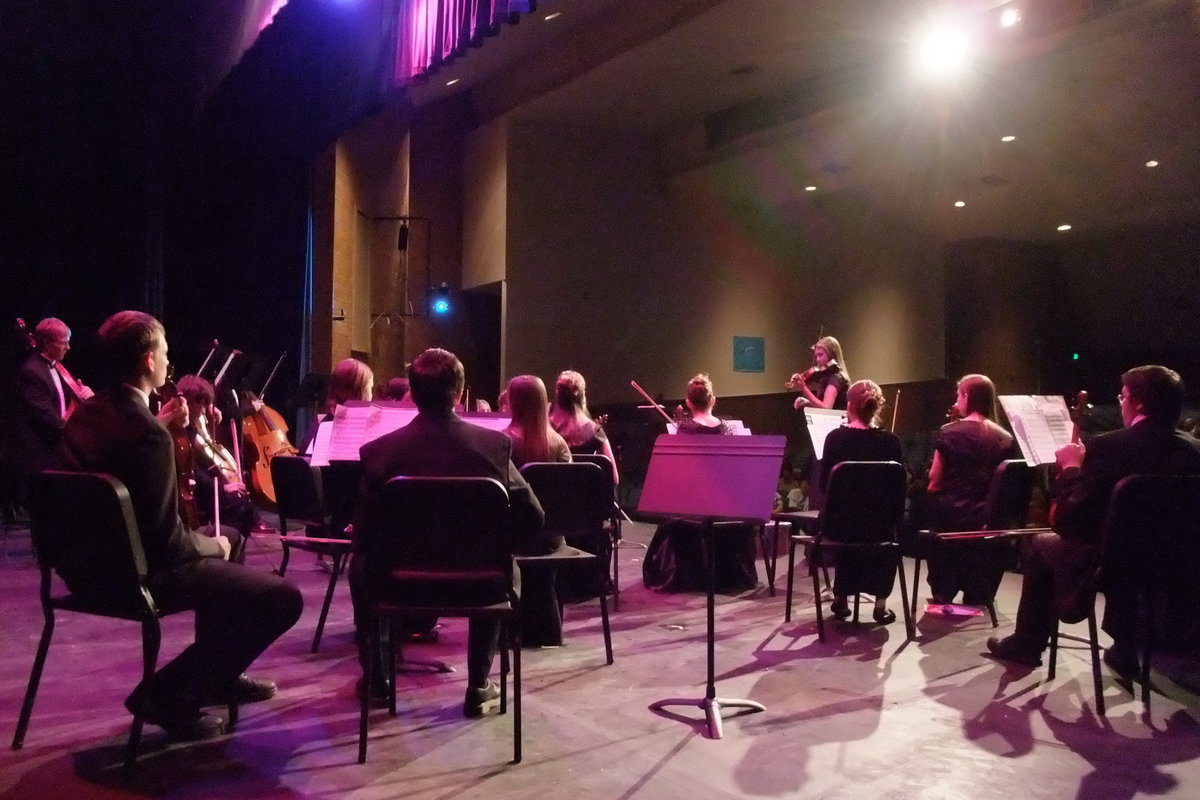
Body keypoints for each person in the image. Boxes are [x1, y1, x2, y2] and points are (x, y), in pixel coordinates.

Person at [57, 311, 302, 741]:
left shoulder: (86, 415)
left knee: (232, 536)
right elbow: (168, 543)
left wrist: (164, 424)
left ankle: (221, 674)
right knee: (282, 598)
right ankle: (167, 693)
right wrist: (213, 550)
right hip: (136, 576)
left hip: (85, 571)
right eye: (166, 353)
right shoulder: (148, 435)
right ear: (149, 361)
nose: (170, 362)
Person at [349, 348, 551, 716]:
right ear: (459, 394)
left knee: (360, 567)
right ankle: (478, 685)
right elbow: (534, 517)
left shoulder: (379, 452)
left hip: (399, 585)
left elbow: (362, 534)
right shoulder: (493, 447)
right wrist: (499, 546)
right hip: (480, 584)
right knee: (506, 568)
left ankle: (378, 681)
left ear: (412, 392)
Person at [987, 365, 1200, 672]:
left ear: (1138, 403)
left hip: (1112, 563)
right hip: (1175, 564)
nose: (1120, 402)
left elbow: (1071, 523)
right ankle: (1125, 646)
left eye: (1123, 396)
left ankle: (1027, 643)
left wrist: (1072, 470)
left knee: (1039, 542)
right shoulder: (1195, 452)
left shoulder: (1109, 446)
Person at [643, 374, 758, 594]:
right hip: (725, 505)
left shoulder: (684, 429)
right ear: (713, 400)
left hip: (695, 506)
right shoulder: (726, 429)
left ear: (688, 402)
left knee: (671, 516)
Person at [920, 373, 1020, 606]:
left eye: (958, 394)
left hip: (952, 519)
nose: (957, 398)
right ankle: (978, 589)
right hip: (989, 519)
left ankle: (944, 587)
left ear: (966, 396)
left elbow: (935, 477)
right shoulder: (1005, 438)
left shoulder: (948, 432)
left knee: (930, 506)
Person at [820, 379, 905, 624]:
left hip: (841, 527)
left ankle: (841, 597)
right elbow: (898, 490)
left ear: (849, 407)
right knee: (882, 529)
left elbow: (824, 485)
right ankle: (880, 604)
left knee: (849, 523)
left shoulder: (835, 439)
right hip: (881, 527)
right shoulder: (892, 442)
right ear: (876, 407)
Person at [177, 374, 265, 541]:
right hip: (193, 494)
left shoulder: (191, 427)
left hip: (200, 488)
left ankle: (227, 548)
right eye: (202, 405)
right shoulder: (182, 430)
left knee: (243, 504)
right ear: (188, 402)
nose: (204, 411)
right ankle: (223, 549)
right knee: (243, 510)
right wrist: (222, 488)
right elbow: (192, 471)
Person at [11, 318, 93, 482]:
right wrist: (79, 437)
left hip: (56, 447)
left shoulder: (56, 367)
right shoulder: (32, 372)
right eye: (64, 343)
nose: (68, 348)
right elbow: (45, 416)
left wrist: (84, 393)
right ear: (47, 343)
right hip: (42, 453)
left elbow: (64, 404)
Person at [550, 369, 619, 485]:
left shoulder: (545, 429)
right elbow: (614, 478)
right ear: (582, 396)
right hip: (588, 499)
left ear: (558, 396)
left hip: (555, 498)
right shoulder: (595, 431)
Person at [504, 374, 571, 467]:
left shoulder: (502, 444)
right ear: (543, 403)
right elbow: (571, 479)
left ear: (511, 404)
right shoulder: (559, 444)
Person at [789, 335, 850, 411]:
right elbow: (825, 407)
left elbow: (826, 408)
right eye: (816, 355)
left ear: (832, 356)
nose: (817, 359)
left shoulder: (835, 378)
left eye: (820, 355)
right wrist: (807, 403)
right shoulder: (827, 376)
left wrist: (804, 388)